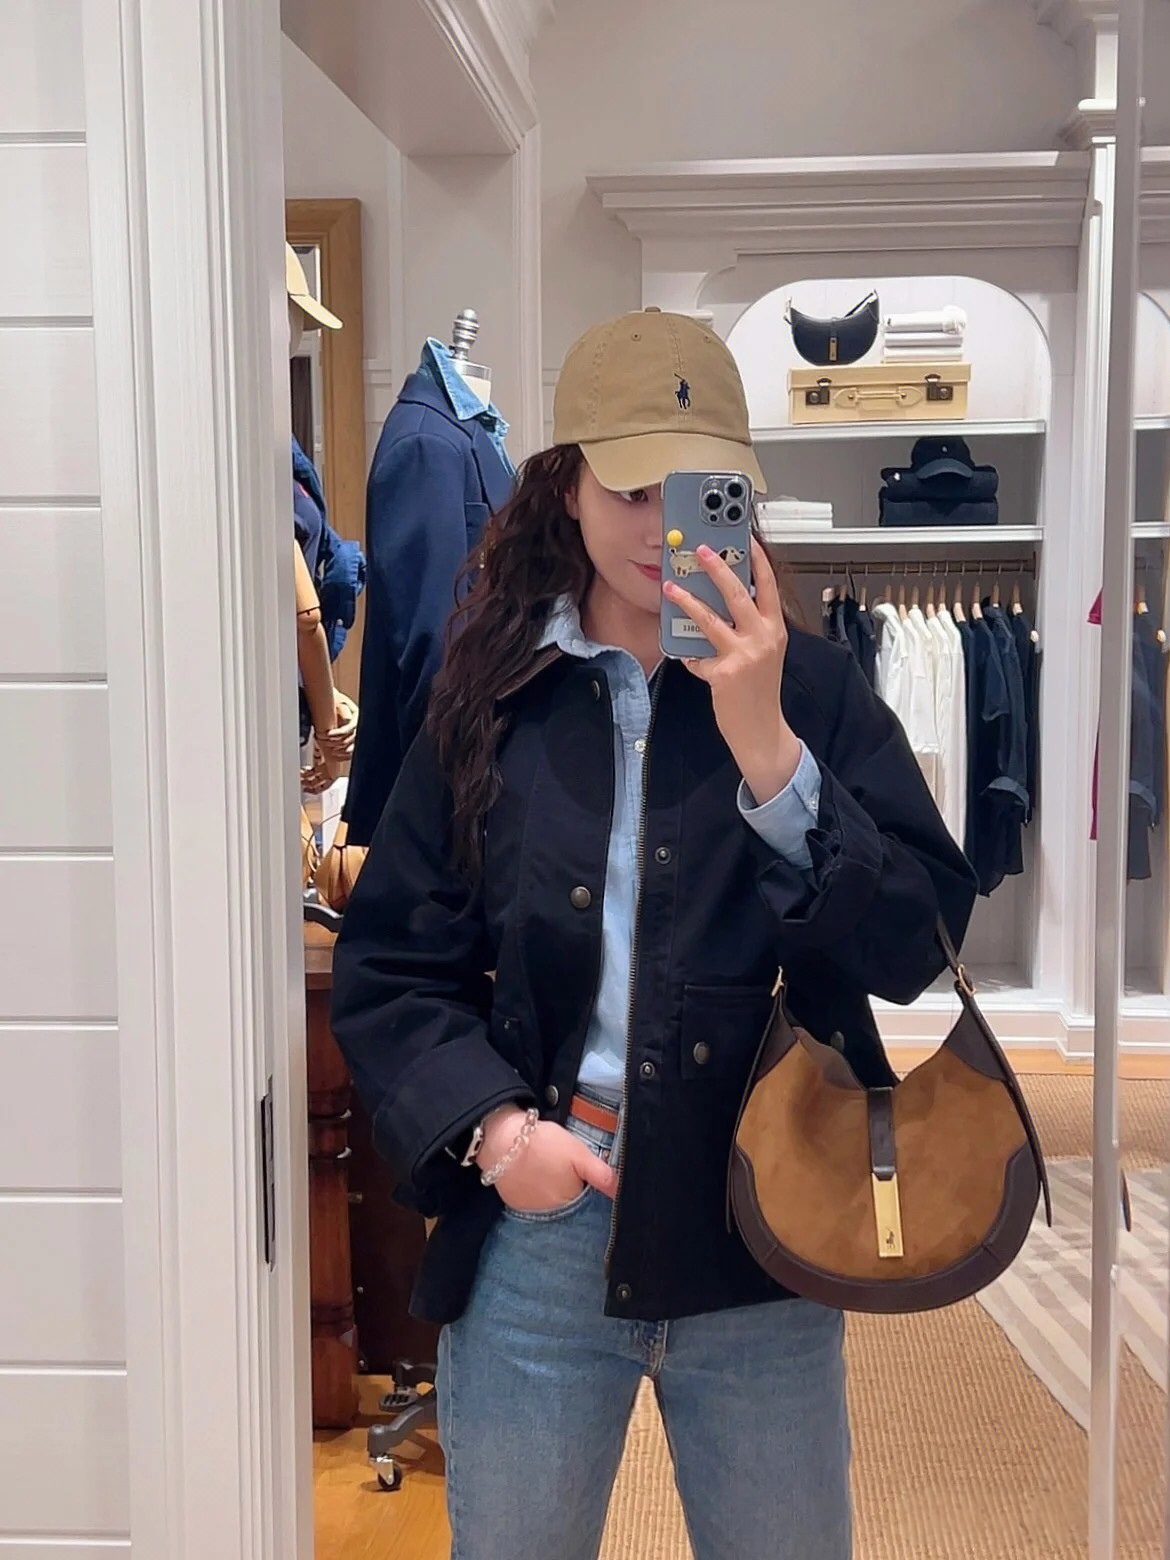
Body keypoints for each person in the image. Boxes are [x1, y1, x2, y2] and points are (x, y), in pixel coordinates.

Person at [331, 308, 978, 1560]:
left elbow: (914, 945)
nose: (656, 528)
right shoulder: (493, 692)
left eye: (693, 492)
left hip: (762, 1222)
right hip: (541, 1229)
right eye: (628, 489)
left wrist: (771, 752)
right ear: (564, 485)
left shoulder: (810, 687)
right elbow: (395, 960)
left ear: (739, 497)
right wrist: (495, 1133)